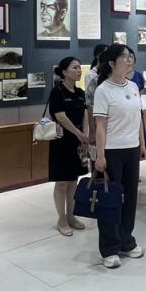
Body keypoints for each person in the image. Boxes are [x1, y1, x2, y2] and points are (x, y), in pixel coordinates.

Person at [91, 43, 146, 267]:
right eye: (124, 57)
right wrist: (100, 155)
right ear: (112, 63)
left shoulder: (133, 86)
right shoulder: (103, 90)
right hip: (112, 151)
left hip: (132, 149)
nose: (129, 60)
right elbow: (100, 126)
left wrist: (142, 143)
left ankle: (126, 241)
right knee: (110, 200)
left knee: (130, 198)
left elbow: (138, 117)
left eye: (130, 56)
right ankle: (109, 248)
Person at [45, 55, 89, 235]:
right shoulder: (57, 91)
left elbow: (85, 114)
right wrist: (80, 134)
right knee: (62, 181)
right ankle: (61, 219)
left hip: (78, 141)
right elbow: (61, 117)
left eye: (79, 67)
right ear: (64, 72)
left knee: (73, 180)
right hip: (61, 141)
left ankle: (71, 216)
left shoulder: (80, 92)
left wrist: (85, 136)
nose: (78, 70)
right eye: (74, 67)